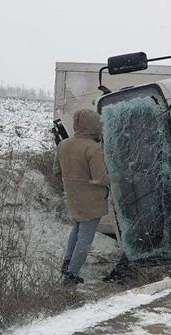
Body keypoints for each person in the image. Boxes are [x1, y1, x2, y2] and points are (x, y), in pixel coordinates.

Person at [53, 109, 109, 285]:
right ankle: (72, 274)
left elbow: (56, 171)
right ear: (94, 125)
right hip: (91, 201)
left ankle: (67, 263)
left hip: (73, 196)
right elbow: (101, 178)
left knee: (76, 231)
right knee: (85, 239)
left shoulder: (64, 145)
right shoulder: (93, 148)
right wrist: (119, 175)